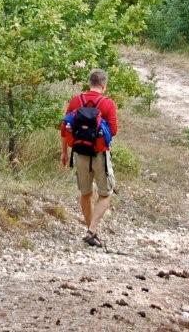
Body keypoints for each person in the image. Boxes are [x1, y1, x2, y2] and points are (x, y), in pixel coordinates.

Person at [61, 68, 119, 248]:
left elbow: (64, 129)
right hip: (100, 154)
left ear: (89, 83)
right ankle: (91, 231)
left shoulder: (76, 100)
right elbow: (114, 131)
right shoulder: (108, 104)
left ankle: (90, 231)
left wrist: (64, 153)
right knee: (106, 193)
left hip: (79, 153)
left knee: (85, 193)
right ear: (104, 85)